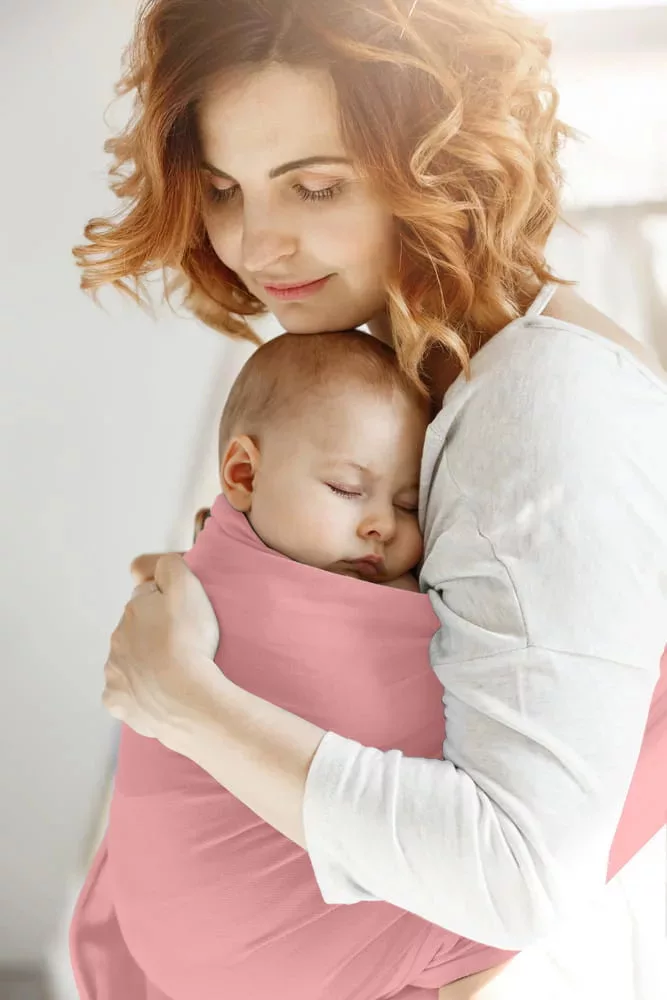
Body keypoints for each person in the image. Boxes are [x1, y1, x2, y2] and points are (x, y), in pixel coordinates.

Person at [77, 0, 667, 997]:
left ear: (445, 166)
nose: (257, 245)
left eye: (314, 186)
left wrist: (186, 699)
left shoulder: (542, 402)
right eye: (222, 189)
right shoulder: (401, 379)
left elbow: (518, 873)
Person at [71, 330, 522, 999]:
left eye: (407, 505)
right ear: (243, 475)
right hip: (258, 960)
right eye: (346, 488)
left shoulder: (208, 569)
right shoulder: (229, 594)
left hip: (157, 949)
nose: (381, 524)